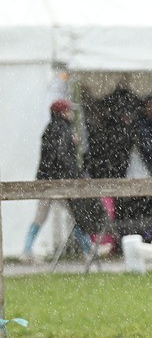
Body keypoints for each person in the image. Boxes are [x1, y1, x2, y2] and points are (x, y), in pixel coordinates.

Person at [20, 100, 107, 261]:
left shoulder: (49, 129)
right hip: (59, 182)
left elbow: (53, 156)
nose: (71, 113)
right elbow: (62, 156)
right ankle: (89, 249)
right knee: (76, 215)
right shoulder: (63, 129)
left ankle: (26, 250)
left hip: (46, 180)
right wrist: (75, 174)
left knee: (40, 217)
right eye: (68, 110)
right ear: (62, 112)